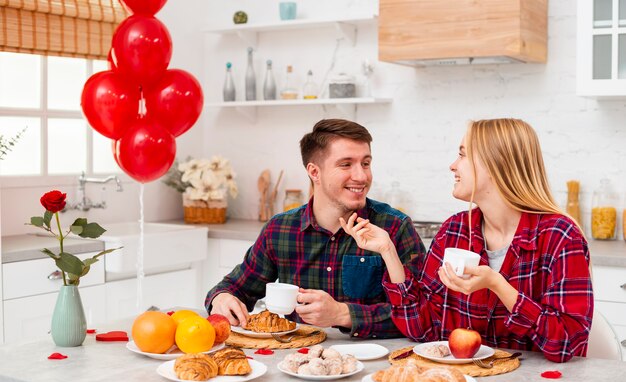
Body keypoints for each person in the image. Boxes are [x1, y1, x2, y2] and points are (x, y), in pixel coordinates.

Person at [341, 118, 592, 361]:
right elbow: (422, 329)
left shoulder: (559, 235)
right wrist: (388, 251)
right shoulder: (455, 229)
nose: (453, 165)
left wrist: (497, 284)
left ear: (496, 165)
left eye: (462, 155)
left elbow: (567, 344)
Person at [206, 119, 426, 338]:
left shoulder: (395, 227)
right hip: (295, 360)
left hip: (373, 364)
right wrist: (222, 298)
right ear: (314, 172)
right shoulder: (280, 229)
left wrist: (343, 314)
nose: (361, 176)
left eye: (366, 163)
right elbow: (234, 287)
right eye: (346, 164)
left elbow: (423, 315)